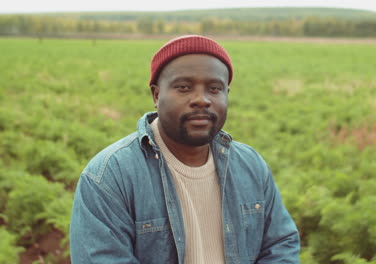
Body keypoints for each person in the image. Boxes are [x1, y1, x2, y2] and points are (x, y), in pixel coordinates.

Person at [70, 35, 300, 264]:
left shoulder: (250, 165)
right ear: (156, 95)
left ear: (227, 95)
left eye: (214, 88)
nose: (202, 99)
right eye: (184, 87)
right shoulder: (109, 175)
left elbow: (280, 245)